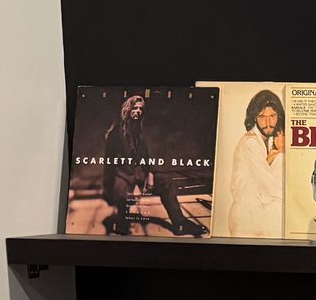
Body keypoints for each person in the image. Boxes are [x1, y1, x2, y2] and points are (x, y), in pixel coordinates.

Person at [100, 91, 205, 237]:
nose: (138, 111)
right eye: (135, 108)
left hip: (139, 175)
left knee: (165, 182)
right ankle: (122, 221)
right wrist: (110, 189)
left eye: (140, 109)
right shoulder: (115, 134)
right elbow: (110, 164)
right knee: (123, 217)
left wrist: (150, 175)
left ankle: (180, 223)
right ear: (128, 110)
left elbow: (146, 158)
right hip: (122, 177)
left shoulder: (139, 132)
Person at [224, 88, 284, 237]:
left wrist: (276, 152)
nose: (268, 123)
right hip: (246, 220)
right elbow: (270, 186)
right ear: (254, 117)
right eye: (262, 117)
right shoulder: (250, 143)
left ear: (279, 117)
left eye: (272, 116)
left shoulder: (266, 143)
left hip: (258, 218)